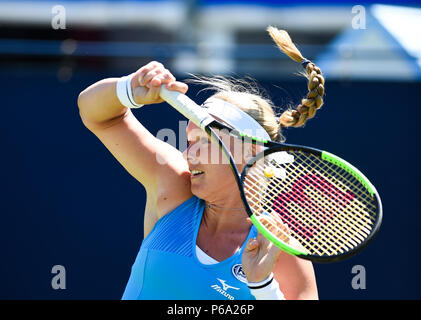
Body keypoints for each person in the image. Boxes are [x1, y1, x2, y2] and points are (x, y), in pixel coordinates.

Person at [77, 27, 324, 300]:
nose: (188, 154)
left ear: (249, 152)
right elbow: (97, 114)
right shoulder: (172, 183)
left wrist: (264, 287)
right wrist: (130, 89)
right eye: (189, 140)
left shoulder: (280, 249)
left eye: (203, 142)